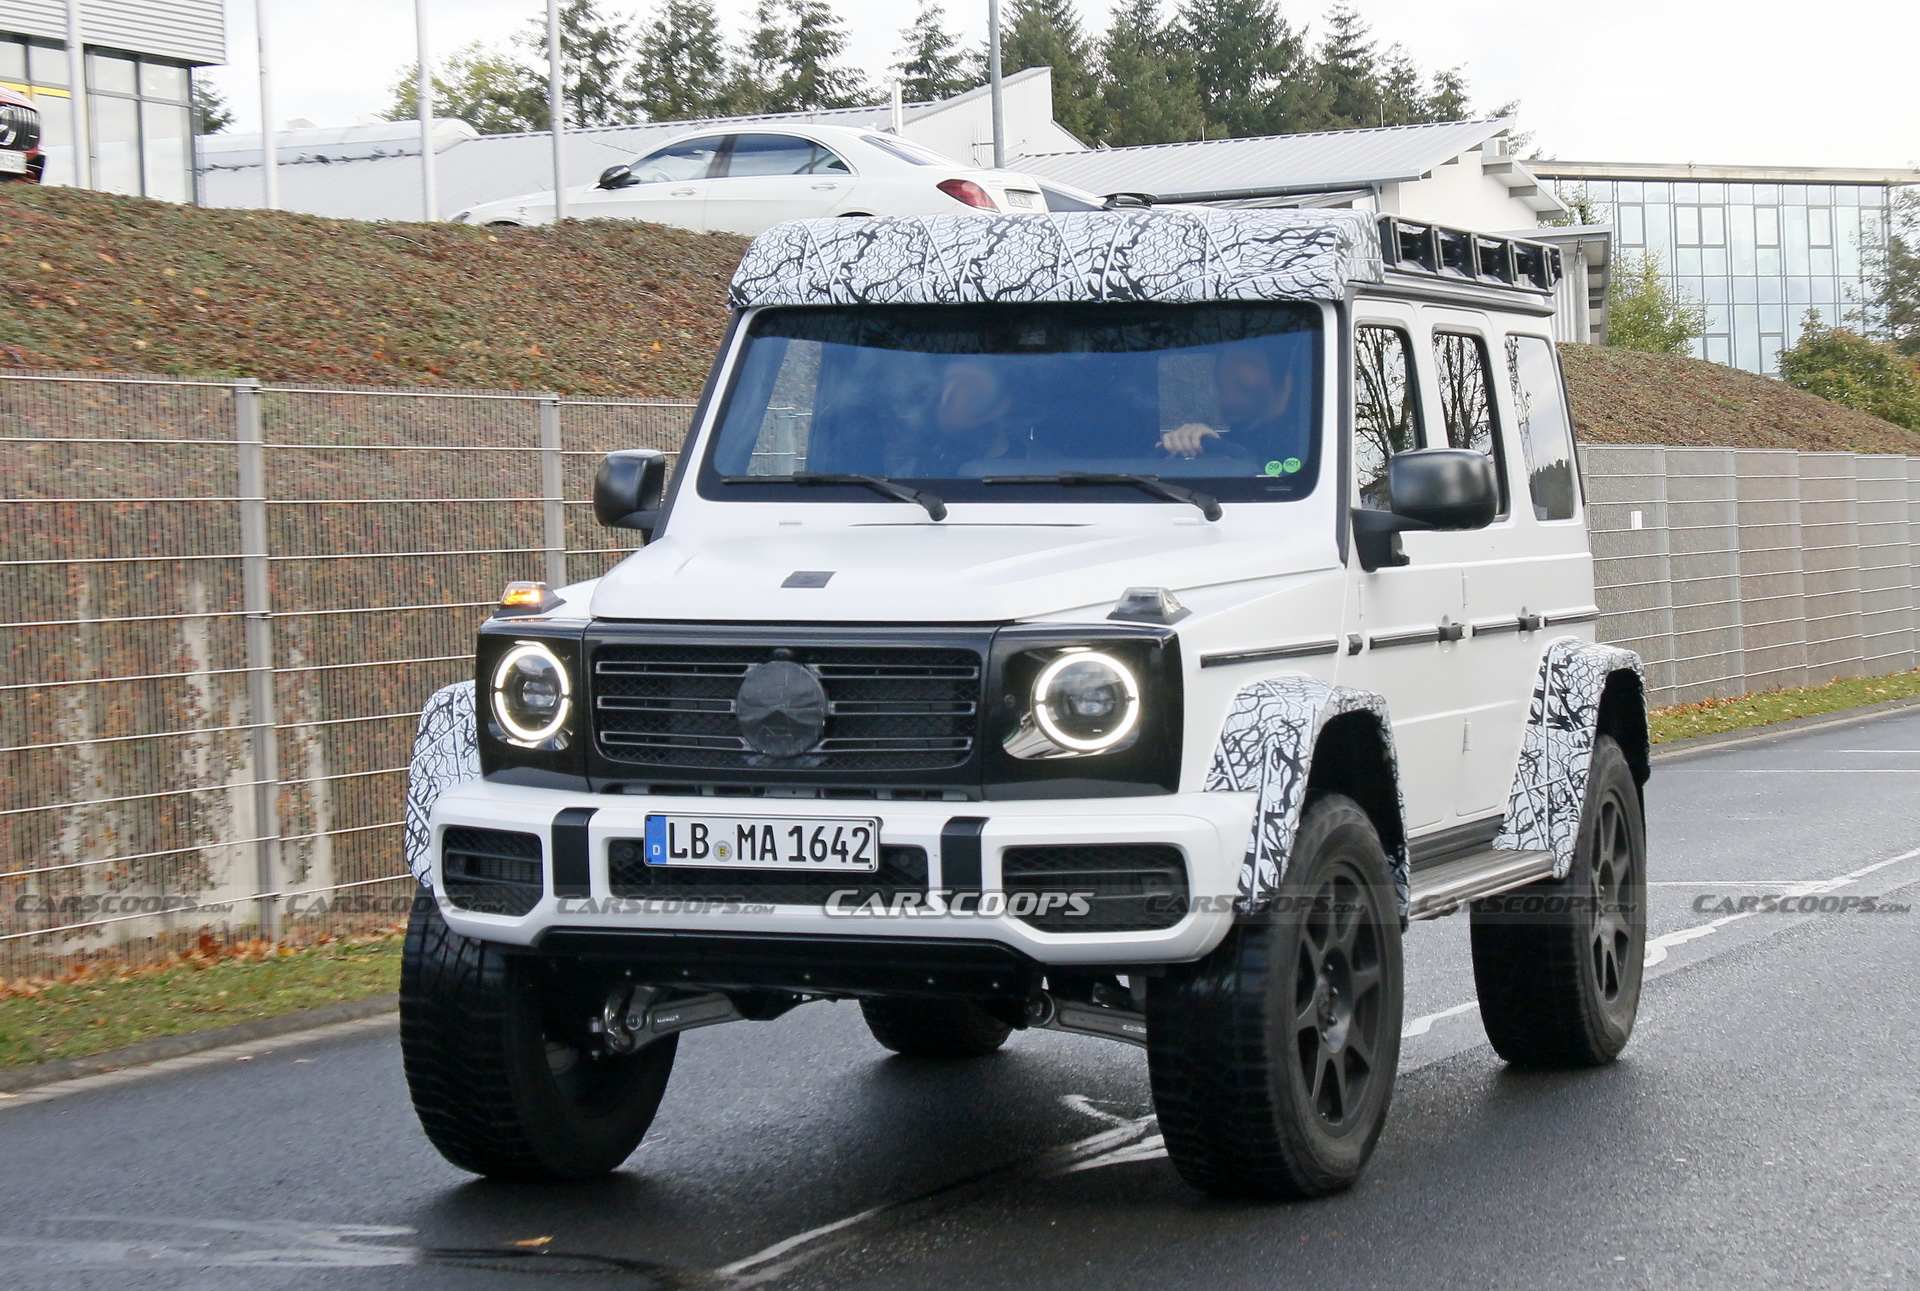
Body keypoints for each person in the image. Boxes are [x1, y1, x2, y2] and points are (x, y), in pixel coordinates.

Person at [1159, 341, 1299, 460]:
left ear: (1286, 386)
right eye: (1222, 386)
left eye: (1242, 385)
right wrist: (1182, 442)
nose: (1231, 399)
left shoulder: (1303, 447)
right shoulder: (1232, 439)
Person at [906, 358, 1021, 474]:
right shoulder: (919, 465)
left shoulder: (1028, 468)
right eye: (947, 395)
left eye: (974, 395)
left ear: (1003, 404)